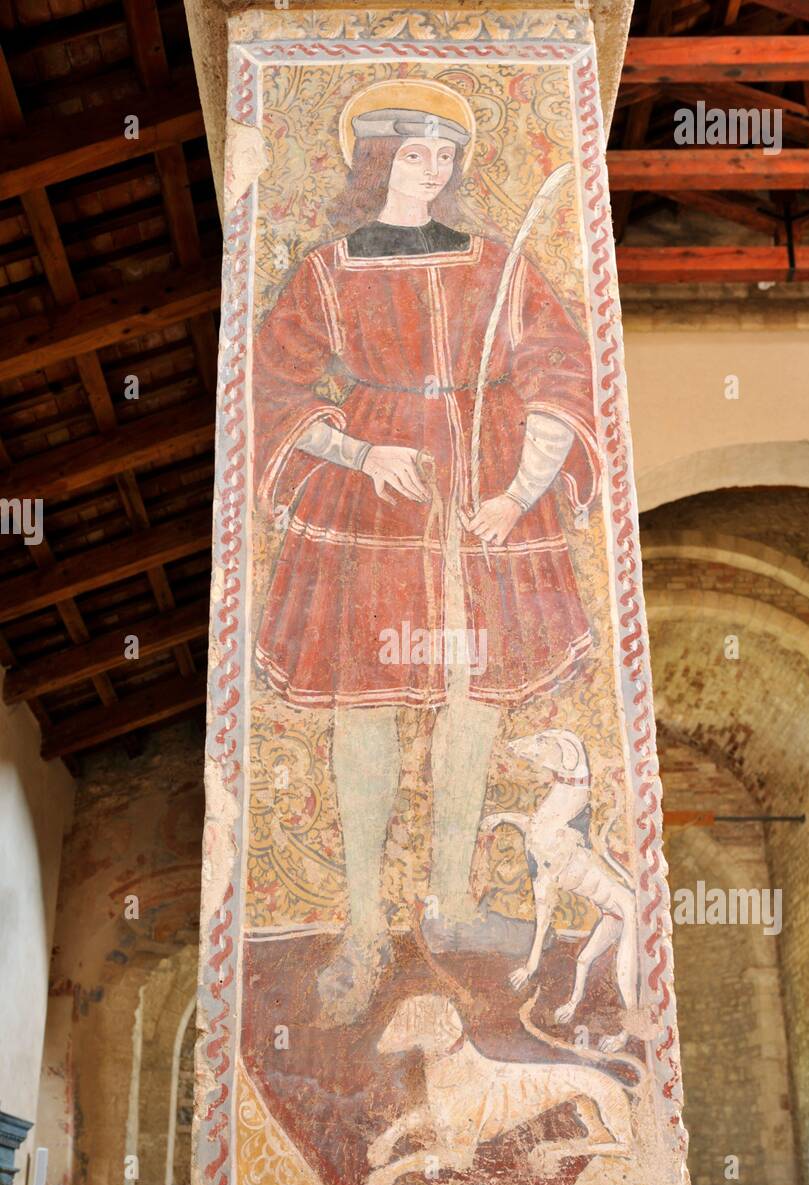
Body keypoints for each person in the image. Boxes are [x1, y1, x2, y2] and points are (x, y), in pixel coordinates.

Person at [253, 79, 599, 1024]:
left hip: (484, 484)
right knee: (361, 701)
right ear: (375, 163)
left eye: (446, 155)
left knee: (472, 696)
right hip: (376, 488)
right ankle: (365, 927)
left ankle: (449, 902)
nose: (433, 170)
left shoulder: (497, 263)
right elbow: (271, 390)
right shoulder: (327, 274)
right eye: (414, 154)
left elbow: (561, 366)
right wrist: (363, 450)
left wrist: (520, 490)